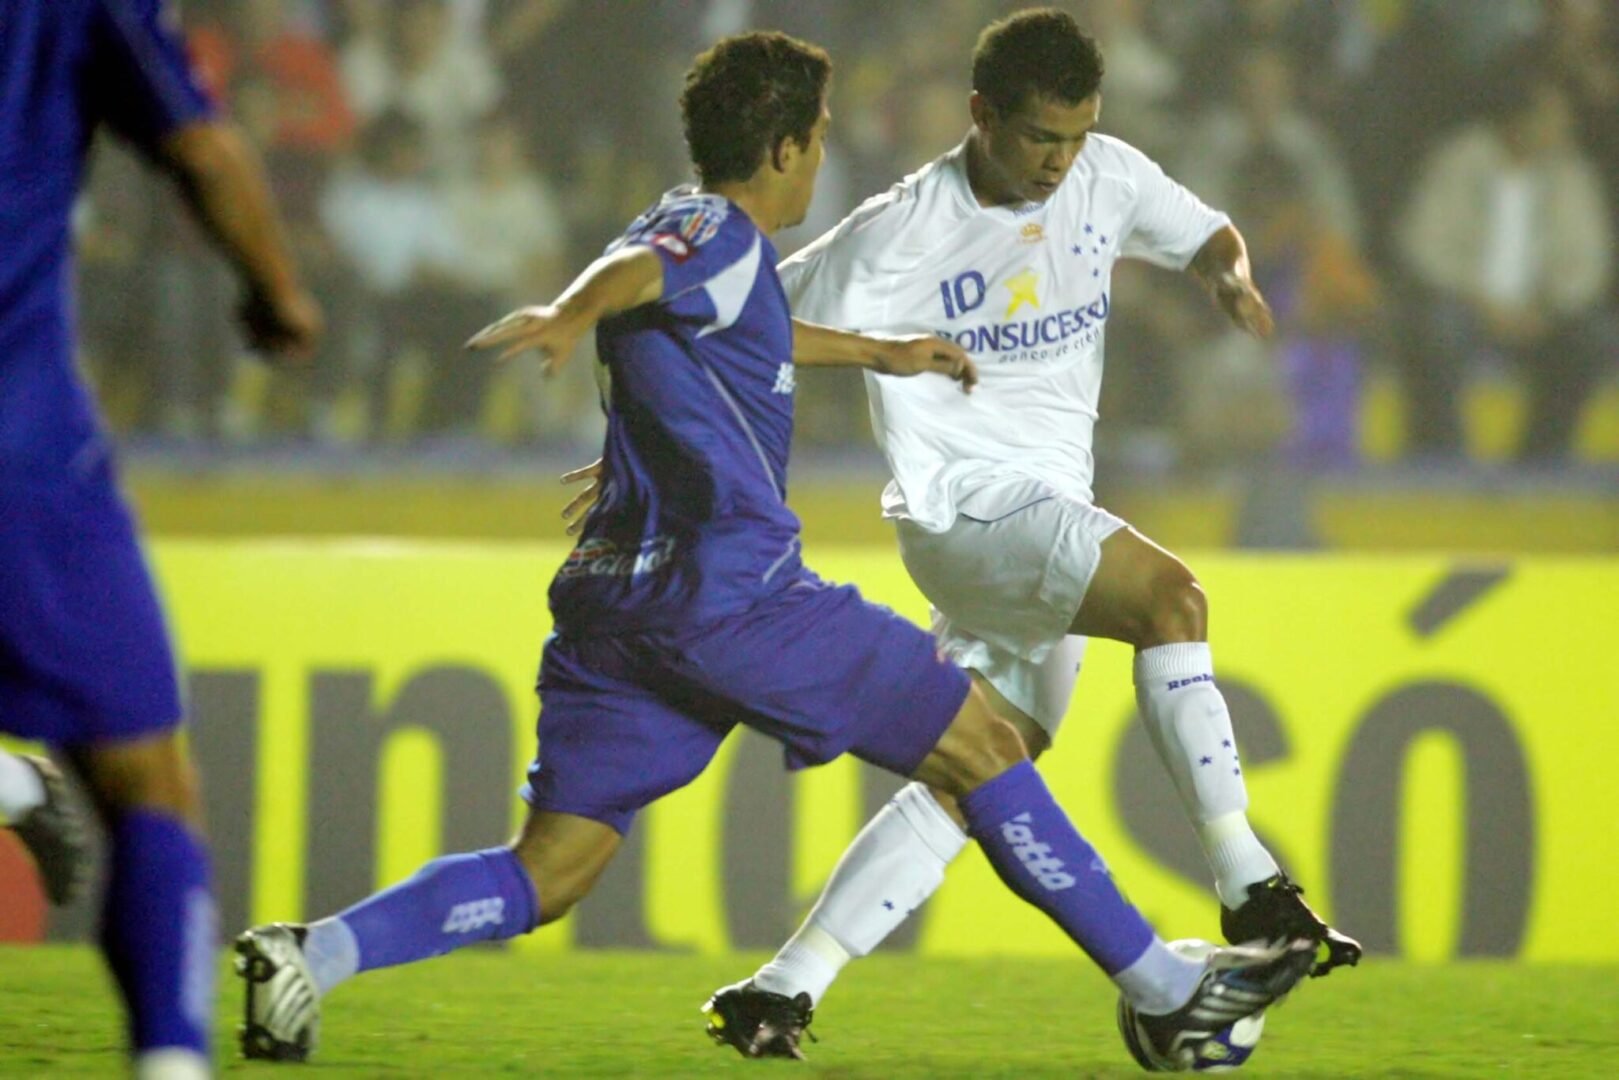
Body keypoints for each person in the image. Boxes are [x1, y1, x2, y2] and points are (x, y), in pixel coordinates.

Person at [233, 30, 1312, 1068]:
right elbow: (635, 271)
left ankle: (307, 955)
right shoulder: (708, 232)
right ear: (786, 148)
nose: (826, 157)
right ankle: (1168, 993)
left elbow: (735, 316)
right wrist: (566, 314)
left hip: (618, 607)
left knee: (549, 872)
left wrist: (882, 351)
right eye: (822, 136)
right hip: (738, 598)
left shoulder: (714, 249)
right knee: (985, 746)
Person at [696, 10, 1360, 1056]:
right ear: (980, 115)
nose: (1058, 161)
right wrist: (657, 425)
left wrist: (1224, 273)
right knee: (1169, 600)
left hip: (1037, 512)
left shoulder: (1105, 174)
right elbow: (738, 320)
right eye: (1037, 136)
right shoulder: (900, 226)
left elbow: (1203, 230)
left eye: (1075, 134)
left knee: (985, 765)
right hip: (964, 509)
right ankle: (1248, 883)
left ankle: (784, 986)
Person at [0, 2, 321, 1077]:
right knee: (149, 788)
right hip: (18, 449)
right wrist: (276, 294)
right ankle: (169, 1061)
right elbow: (198, 144)